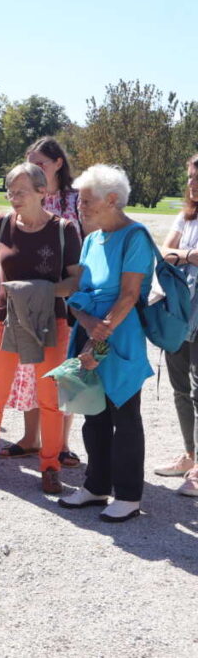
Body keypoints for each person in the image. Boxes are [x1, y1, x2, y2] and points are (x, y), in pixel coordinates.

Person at [0, 163, 82, 492]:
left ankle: (50, 465)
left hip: (50, 320)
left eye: (21, 192)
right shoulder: (3, 223)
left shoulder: (64, 230)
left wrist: (36, 291)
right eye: (10, 191)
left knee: (49, 396)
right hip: (4, 316)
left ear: (42, 192)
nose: (14, 197)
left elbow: (75, 280)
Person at [57, 165, 154, 522]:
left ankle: (128, 496)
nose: (79, 206)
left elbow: (129, 296)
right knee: (93, 412)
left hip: (119, 334)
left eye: (86, 200)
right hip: (91, 330)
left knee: (124, 415)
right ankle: (96, 487)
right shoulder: (92, 239)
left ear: (112, 200)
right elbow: (79, 291)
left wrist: (97, 342)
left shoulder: (136, 237)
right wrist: (84, 325)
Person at [3, 137, 84, 467]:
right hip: (29, 300)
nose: (33, 168)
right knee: (29, 368)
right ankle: (30, 437)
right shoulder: (22, 200)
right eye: (29, 161)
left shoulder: (75, 200)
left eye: (40, 163)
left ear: (58, 164)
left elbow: (89, 245)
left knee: (63, 371)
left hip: (68, 299)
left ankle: (61, 443)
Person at [154, 153, 198, 497]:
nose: (191, 185)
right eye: (189, 178)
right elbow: (165, 251)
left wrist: (180, 255)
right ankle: (190, 455)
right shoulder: (186, 217)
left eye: (196, 177)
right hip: (179, 313)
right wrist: (189, 255)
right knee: (181, 388)